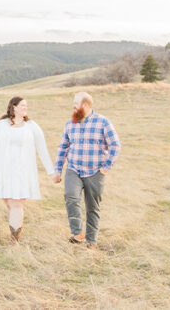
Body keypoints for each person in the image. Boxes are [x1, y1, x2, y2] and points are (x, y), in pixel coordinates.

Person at [52, 92, 121, 250]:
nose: (73, 106)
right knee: (71, 196)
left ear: (86, 105)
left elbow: (115, 145)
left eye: (76, 103)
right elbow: (63, 147)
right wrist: (57, 170)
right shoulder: (70, 124)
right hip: (74, 168)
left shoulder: (103, 122)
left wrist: (105, 167)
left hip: (95, 172)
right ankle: (77, 233)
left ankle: (92, 242)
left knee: (92, 207)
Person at [0, 96, 56, 242]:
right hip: (3, 170)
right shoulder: (0, 125)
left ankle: (14, 240)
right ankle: (14, 231)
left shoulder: (31, 126)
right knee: (10, 204)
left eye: (26, 106)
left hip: (23, 171)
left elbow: (42, 149)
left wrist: (51, 171)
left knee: (17, 204)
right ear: (14, 107)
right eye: (22, 105)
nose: (25, 108)